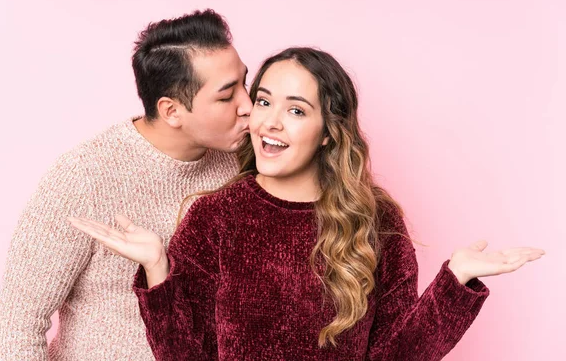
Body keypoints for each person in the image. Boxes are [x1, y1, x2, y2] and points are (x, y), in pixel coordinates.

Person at [69, 47, 545, 360]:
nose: (270, 122)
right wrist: (158, 268)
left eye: (296, 110)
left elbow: (396, 355)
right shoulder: (216, 216)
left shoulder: (376, 222)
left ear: (327, 132)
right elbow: (185, 355)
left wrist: (455, 280)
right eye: (263, 101)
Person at [0, 9, 252, 360]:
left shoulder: (243, 161)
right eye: (226, 96)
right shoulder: (85, 176)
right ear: (171, 111)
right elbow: (15, 325)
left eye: (245, 84)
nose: (248, 106)